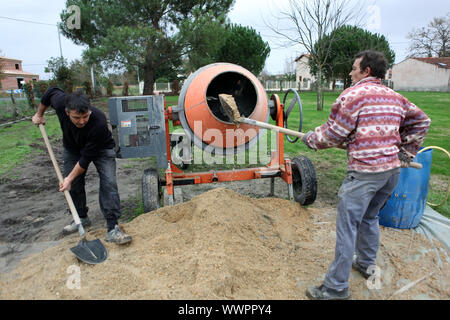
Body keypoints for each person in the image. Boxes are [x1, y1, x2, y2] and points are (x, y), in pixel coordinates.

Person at [301, 50, 431, 300]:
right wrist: (405, 151)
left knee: (348, 227)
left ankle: (335, 288)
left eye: (354, 68)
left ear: (366, 70)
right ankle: (366, 263)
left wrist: (311, 139)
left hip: (364, 174)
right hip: (390, 172)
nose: (350, 73)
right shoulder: (395, 97)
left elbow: (332, 135)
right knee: (370, 218)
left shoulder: (353, 95)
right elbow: (422, 122)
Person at [32, 87, 132, 245]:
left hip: (101, 149)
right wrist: (39, 114)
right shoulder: (60, 103)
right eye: (76, 117)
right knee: (74, 185)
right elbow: (50, 92)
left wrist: (69, 178)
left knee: (109, 183)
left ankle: (112, 228)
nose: (82, 121)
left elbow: (85, 161)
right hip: (72, 148)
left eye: (85, 116)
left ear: (90, 110)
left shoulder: (98, 121)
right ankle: (81, 218)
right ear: (66, 112)